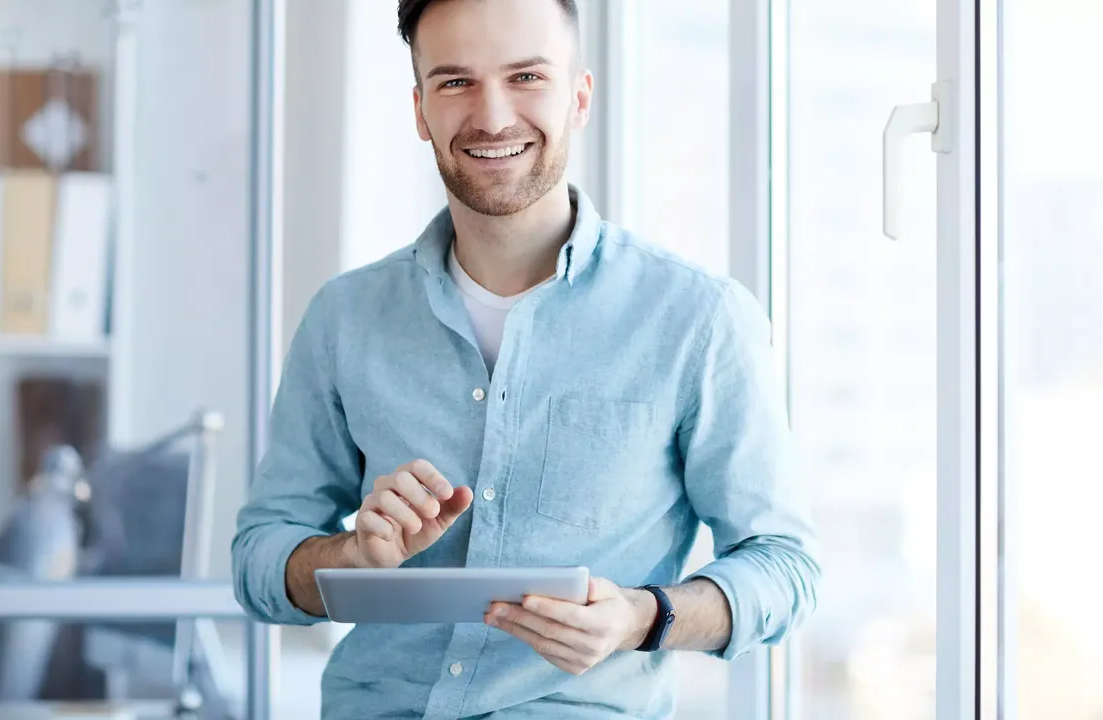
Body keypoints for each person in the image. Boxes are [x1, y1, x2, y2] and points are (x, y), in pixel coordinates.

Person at [231, 0, 822, 716]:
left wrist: (641, 617)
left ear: (579, 96)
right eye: (455, 83)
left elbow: (785, 567)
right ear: (420, 111)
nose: (492, 115)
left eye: (526, 76)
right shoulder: (344, 316)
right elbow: (259, 559)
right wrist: (350, 558)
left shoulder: (698, 319)